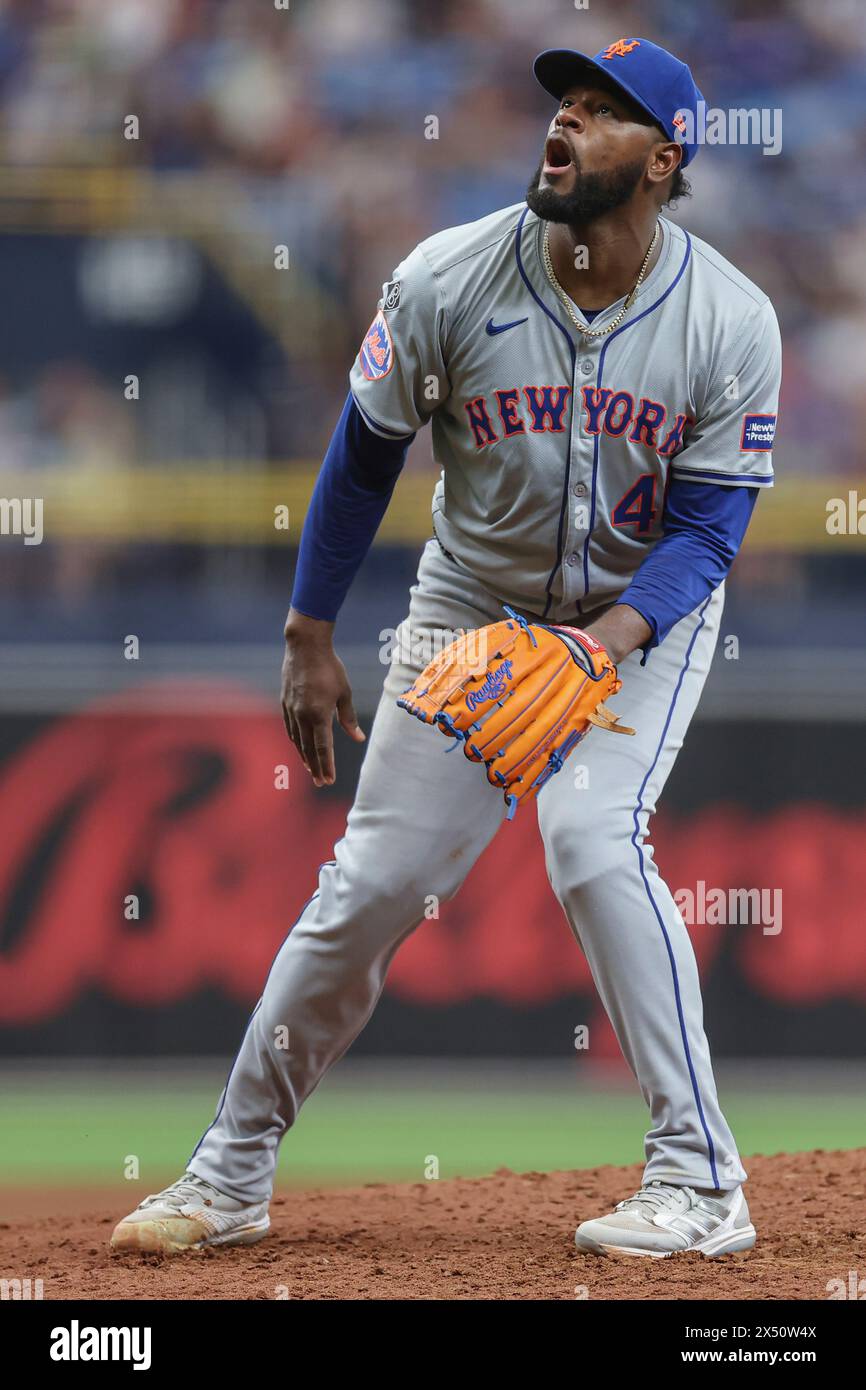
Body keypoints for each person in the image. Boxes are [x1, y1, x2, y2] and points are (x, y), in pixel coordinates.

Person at [111, 37, 780, 1260]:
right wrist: (308, 629)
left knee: (590, 837)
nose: (563, 125)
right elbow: (363, 454)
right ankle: (229, 1173)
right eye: (561, 105)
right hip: (469, 611)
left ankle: (698, 1181)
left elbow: (711, 527)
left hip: (644, 617)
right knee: (365, 885)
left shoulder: (729, 317)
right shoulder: (446, 278)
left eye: (599, 113)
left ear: (662, 160)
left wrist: (604, 646)